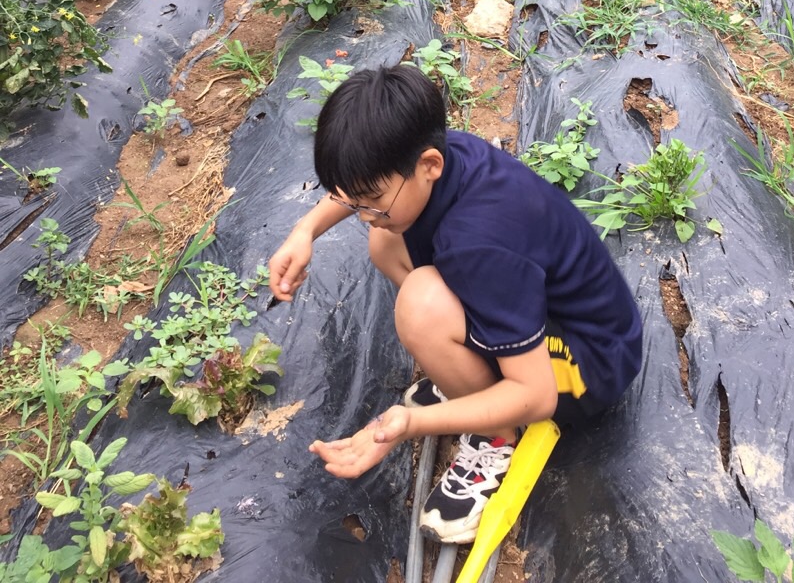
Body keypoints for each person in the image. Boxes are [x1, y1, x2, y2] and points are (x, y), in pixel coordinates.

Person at [269, 65, 644, 545]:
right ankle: (475, 382)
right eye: (354, 201)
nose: (363, 215)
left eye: (372, 201)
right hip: (551, 315)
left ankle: (498, 434)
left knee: (420, 307)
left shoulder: (478, 244)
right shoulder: (444, 152)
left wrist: (410, 423)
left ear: (428, 165)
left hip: (586, 366)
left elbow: (538, 397)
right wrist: (304, 231)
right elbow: (364, 191)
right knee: (386, 242)